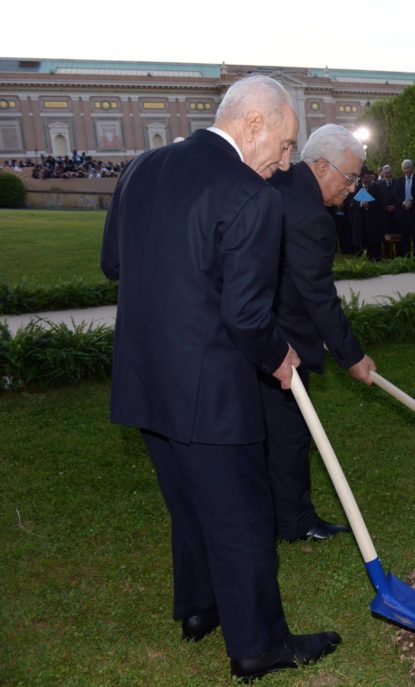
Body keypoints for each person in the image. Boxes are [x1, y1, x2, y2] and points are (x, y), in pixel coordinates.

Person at [99, 75, 340, 682]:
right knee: (244, 518)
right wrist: (279, 355)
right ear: (253, 124)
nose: (286, 164)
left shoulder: (142, 168)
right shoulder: (249, 195)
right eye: (285, 146)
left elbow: (113, 266)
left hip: (145, 379)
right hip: (209, 392)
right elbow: (247, 315)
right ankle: (259, 645)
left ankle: (201, 609)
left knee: (189, 504)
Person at [263, 124, 377, 541]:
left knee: (268, 437)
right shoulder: (311, 215)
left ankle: (277, 516)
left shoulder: (277, 182)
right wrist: (352, 355)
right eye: (349, 179)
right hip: (278, 341)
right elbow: (318, 295)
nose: (352, 189)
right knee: (290, 437)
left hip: (252, 333)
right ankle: (293, 522)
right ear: (321, 165)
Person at [397, 159, 415, 256]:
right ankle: (406, 256)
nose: (407, 170)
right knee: (405, 235)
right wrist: (403, 202)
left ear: (412, 168)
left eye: (408, 167)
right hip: (403, 211)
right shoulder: (400, 180)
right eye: (405, 168)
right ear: (402, 169)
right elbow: (397, 194)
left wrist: (412, 202)